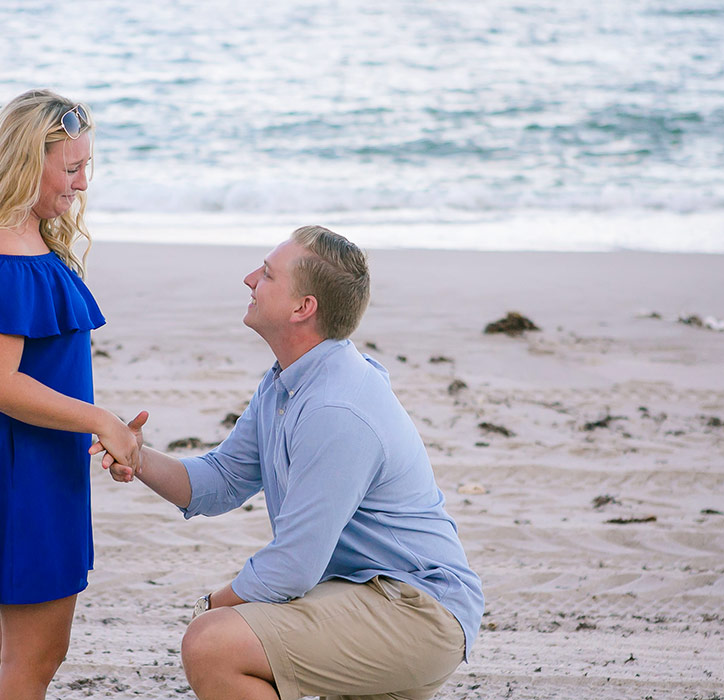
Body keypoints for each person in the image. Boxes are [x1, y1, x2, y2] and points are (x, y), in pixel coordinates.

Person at [94, 226, 483, 700]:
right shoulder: (288, 381)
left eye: (268, 274)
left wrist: (211, 606)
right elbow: (222, 480)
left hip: (416, 611)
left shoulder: (335, 409)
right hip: (360, 594)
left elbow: (293, 567)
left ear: (303, 309)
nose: (249, 278)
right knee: (229, 633)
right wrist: (138, 456)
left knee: (213, 643)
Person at [0, 89, 140, 700]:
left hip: (34, 469)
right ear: (21, 165)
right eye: (71, 168)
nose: (83, 184)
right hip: (21, 478)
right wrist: (101, 419)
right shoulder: (0, 258)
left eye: (87, 166)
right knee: (36, 654)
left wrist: (103, 427)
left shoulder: (22, 243)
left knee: (13, 648)